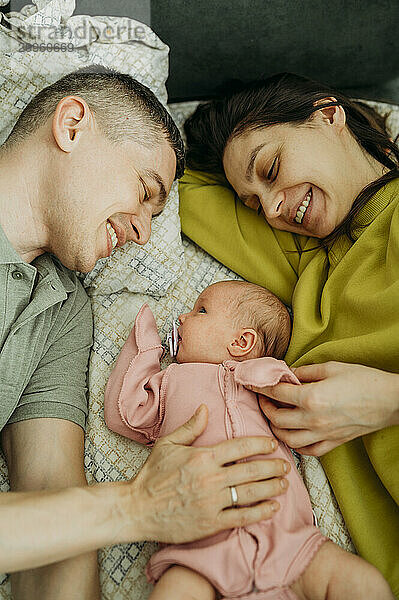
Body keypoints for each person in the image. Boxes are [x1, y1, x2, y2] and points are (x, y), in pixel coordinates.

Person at [0, 68, 290, 600]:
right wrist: (137, 504)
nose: (143, 232)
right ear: (71, 125)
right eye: (144, 191)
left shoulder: (62, 312)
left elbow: (55, 509)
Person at [179, 72, 399, 597]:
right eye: (255, 204)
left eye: (271, 169)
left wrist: (387, 401)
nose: (275, 209)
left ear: (328, 115)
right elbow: (174, 182)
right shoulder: (306, 273)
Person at [103, 280, 393, 600]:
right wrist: (145, 344)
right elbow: (126, 412)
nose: (183, 317)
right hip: (199, 545)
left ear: (242, 342)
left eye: (200, 310)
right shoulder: (172, 380)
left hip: (288, 539)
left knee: (363, 583)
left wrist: (261, 373)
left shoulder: (264, 379)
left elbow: (300, 405)